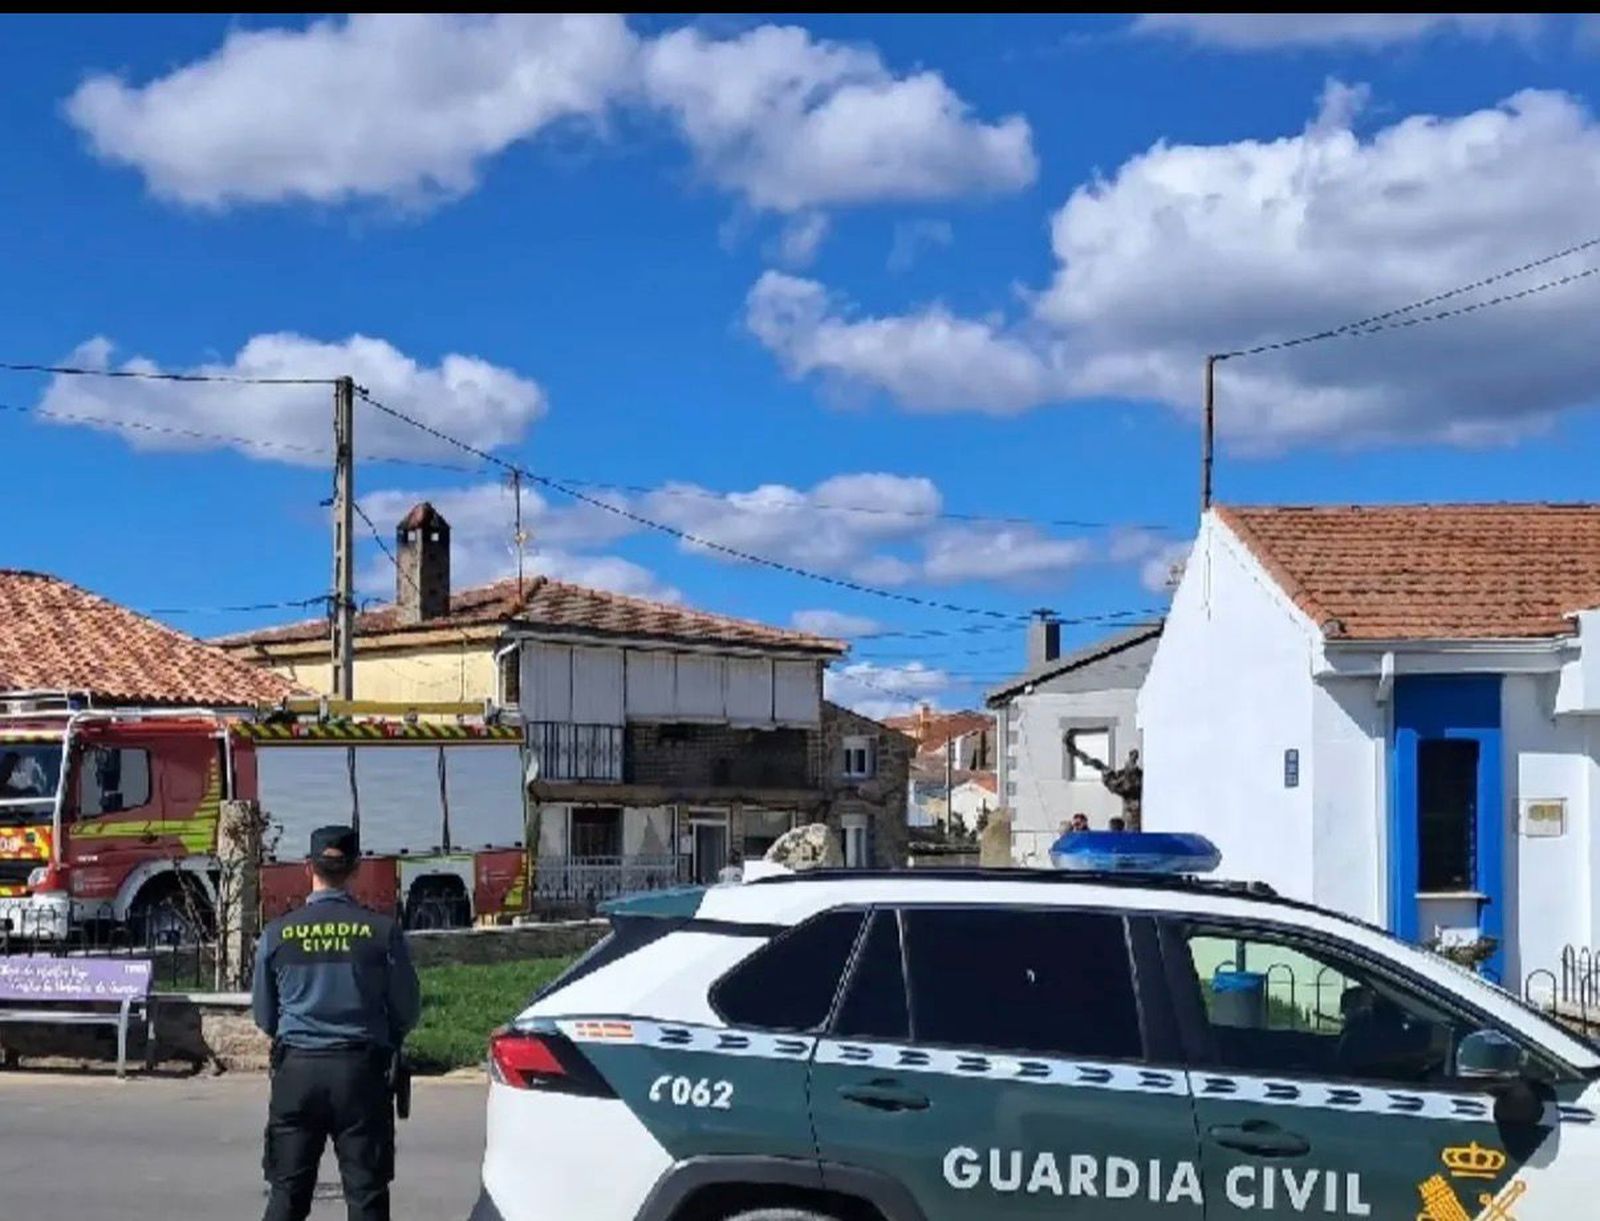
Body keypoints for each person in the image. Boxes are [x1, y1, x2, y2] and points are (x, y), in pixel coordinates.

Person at [252, 826, 421, 1221]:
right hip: (362, 1075)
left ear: (308, 867)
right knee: (366, 1197)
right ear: (356, 868)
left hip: (297, 1073)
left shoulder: (277, 934)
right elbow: (407, 1010)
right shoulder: (382, 933)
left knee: (287, 1196)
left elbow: (264, 1015)